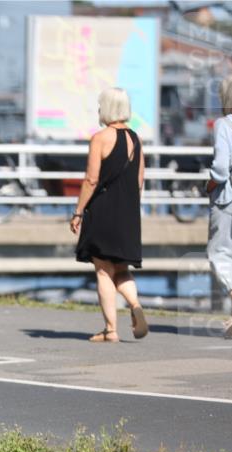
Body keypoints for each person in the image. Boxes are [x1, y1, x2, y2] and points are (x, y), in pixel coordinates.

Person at [71, 87, 148, 343]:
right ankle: (134, 303)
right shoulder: (135, 138)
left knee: (104, 271)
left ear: (106, 108)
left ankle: (111, 330)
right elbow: (139, 180)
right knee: (122, 268)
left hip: (103, 209)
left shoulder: (100, 138)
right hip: (128, 211)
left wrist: (78, 211)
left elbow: (91, 180)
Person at [206, 75, 232, 339]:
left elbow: (221, 168)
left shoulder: (225, 124)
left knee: (218, 254)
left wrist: (210, 184)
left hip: (228, 196)